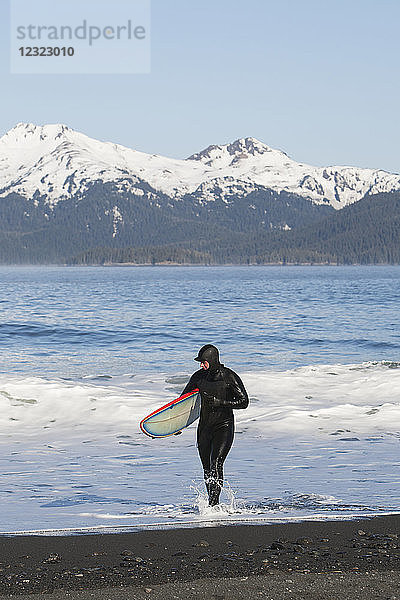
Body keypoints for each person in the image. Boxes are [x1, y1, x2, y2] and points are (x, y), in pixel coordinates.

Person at [181, 344, 249, 506]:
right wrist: (177, 426)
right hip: (204, 428)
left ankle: (213, 504)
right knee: (206, 468)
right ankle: (212, 503)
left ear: (212, 360)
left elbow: (244, 401)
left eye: (203, 361)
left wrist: (221, 402)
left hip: (223, 426)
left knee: (216, 462)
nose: (201, 365)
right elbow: (182, 402)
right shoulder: (198, 377)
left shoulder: (229, 377)